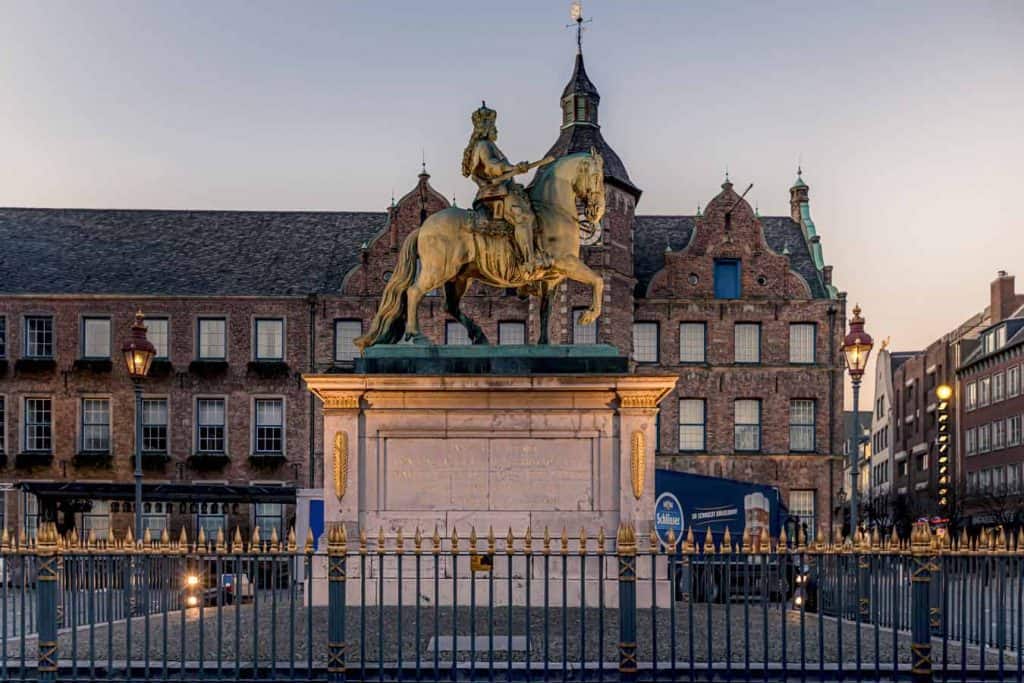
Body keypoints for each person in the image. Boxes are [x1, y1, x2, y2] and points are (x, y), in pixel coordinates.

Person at [461, 102, 546, 273]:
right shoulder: (483, 145)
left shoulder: (489, 145)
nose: (495, 129)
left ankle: (537, 251)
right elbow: (492, 166)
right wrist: (513, 167)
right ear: (486, 127)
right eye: (492, 125)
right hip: (494, 193)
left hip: (500, 189)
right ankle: (528, 262)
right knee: (523, 217)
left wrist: (514, 169)